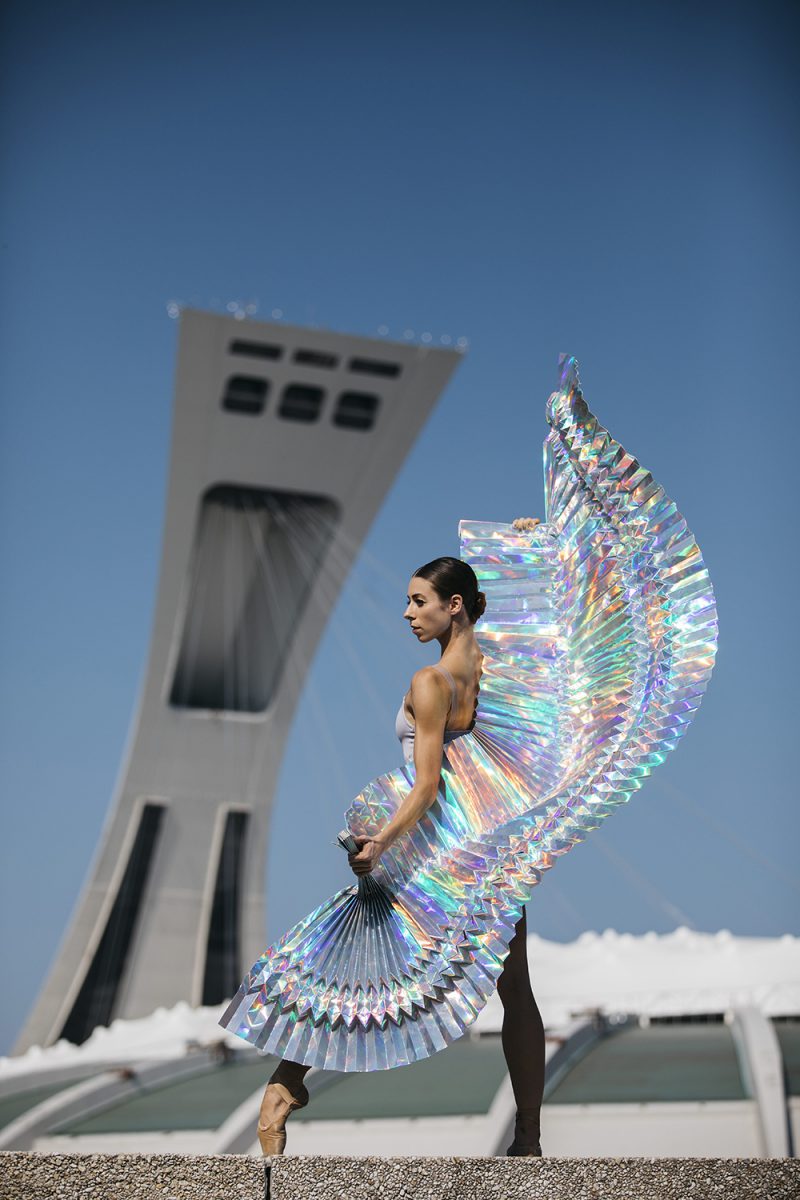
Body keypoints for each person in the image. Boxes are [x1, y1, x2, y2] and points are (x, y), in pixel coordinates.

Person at [256, 527, 545, 1157]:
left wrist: (380, 843)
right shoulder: (501, 674)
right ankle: (528, 1137)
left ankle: (286, 1082)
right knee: (514, 986)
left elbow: (426, 785)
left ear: (455, 606)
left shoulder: (429, 682)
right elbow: (549, 630)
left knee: (353, 958)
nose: (409, 613)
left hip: (431, 847)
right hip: (489, 846)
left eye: (420, 601)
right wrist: (534, 548)